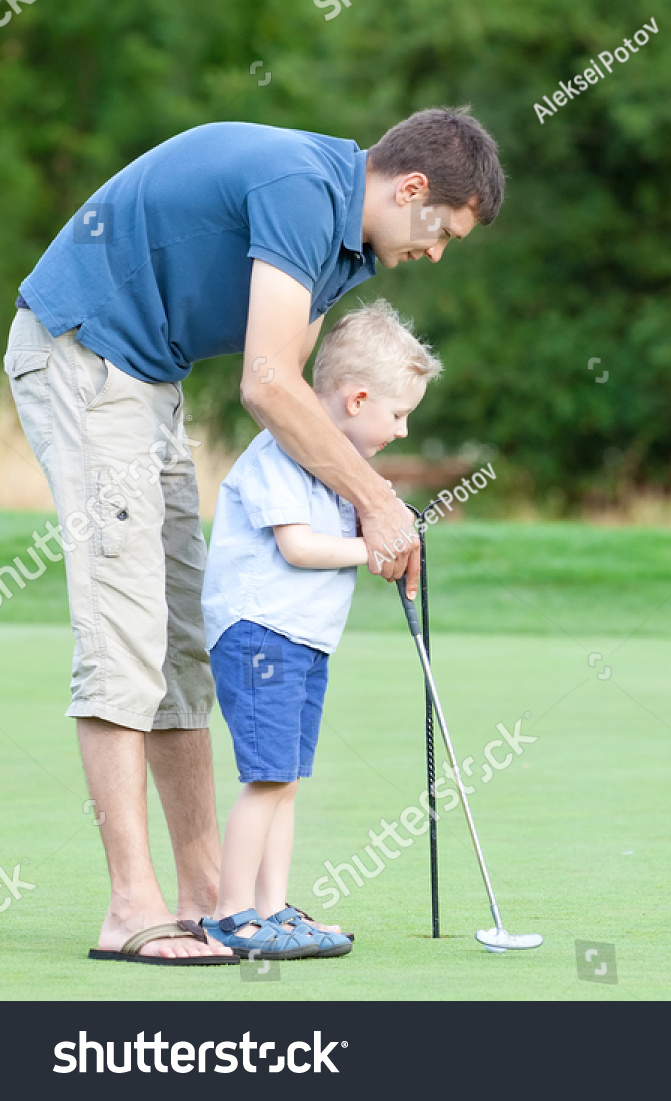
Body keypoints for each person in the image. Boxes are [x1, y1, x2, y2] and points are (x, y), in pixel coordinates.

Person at [3, 107, 502, 964]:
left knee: (182, 642)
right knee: (127, 633)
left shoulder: (346, 250)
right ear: (412, 189)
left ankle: (212, 900)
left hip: (144, 377)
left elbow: (295, 406)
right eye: (442, 231)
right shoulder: (306, 193)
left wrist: (349, 505)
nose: (436, 253)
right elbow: (266, 385)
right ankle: (132, 908)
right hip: (82, 354)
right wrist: (379, 503)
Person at [199, 300, 440, 959]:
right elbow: (300, 548)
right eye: (398, 414)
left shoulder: (340, 468)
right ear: (358, 398)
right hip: (260, 633)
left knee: (287, 777)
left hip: (301, 639)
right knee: (268, 776)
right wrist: (375, 546)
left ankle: (273, 908)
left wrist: (383, 528)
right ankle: (231, 914)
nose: (403, 427)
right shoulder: (280, 451)